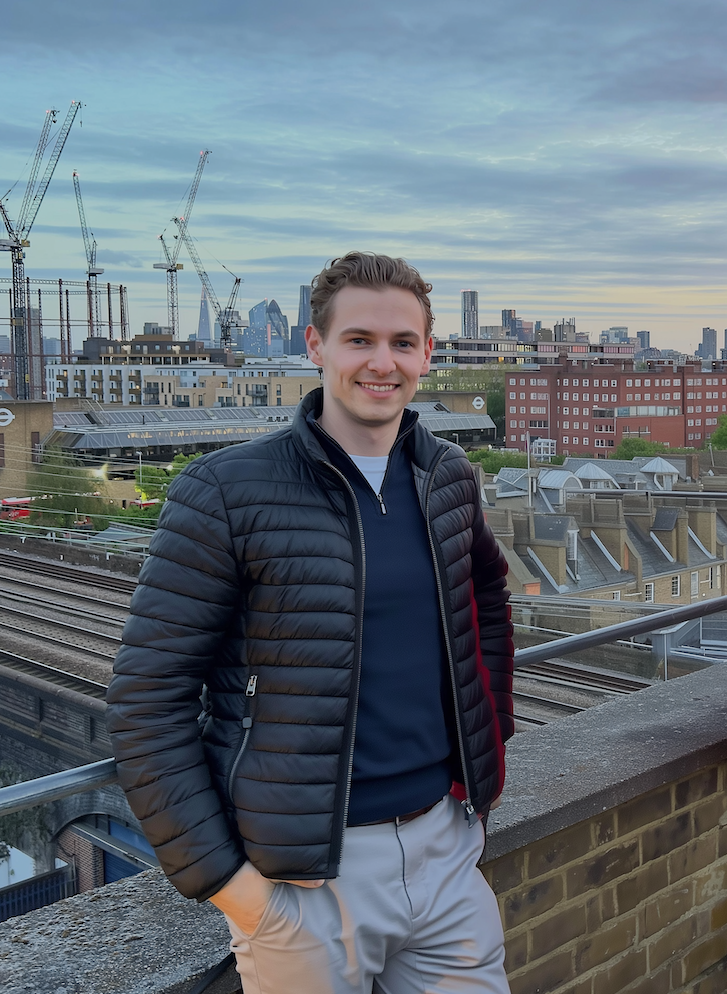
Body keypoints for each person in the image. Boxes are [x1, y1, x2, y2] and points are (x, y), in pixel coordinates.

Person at [106, 252, 514, 994]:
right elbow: (146, 700)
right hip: (306, 883)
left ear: (427, 352)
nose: (381, 363)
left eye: (401, 343)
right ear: (314, 344)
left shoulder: (448, 473)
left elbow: (485, 601)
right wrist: (235, 891)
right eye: (359, 339)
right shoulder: (226, 491)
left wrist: (486, 759)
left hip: (447, 850)